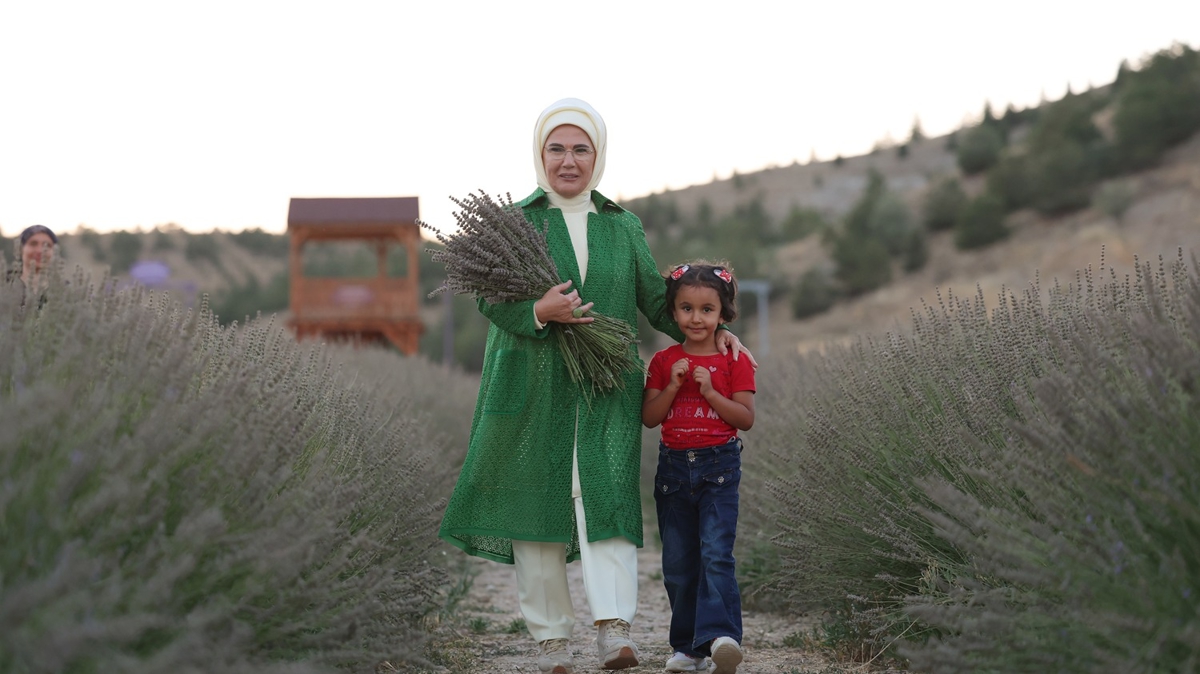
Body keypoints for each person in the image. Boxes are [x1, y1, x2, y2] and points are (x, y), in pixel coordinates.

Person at [437, 99, 755, 674]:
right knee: (538, 506)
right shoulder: (512, 222)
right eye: (556, 148)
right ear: (540, 154)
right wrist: (539, 309)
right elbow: (488, 298)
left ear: (598, 155)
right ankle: (552, 640)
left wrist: (720, 332)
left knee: (605, 498)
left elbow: (659, 302)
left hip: (606, 386)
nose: (568, 160)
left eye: (581, 148)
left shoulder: (621, 225)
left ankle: (615, 630)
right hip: (531, 385)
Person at [642, 261, 755, 674]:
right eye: (686, 308)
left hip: (719, 469)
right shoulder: (662, 360)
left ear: (723, 314)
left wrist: (708, 391)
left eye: (707, 310)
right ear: (673, 312)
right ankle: (688, 649)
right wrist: (673, 384)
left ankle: (723, 637)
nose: (696, 317)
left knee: (716, 554)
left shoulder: (734, 359)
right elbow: (650, 417)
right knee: (677, 562)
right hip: (673, 471)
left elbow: (745, 418)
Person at [7, 224, 59, 306]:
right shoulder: (4, 285)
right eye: (33, 244)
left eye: (47, 245)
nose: (40, 250)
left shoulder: (67, 291)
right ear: (21, 249)